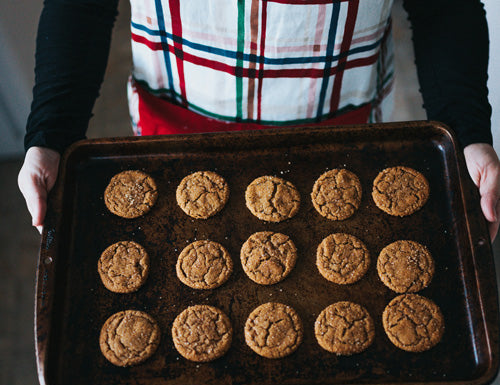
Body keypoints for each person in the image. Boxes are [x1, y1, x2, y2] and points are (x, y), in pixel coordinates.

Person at [18, 0, 500, 240]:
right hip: (180, 120)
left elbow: (445, 6)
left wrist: (466, 130)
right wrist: (52, 134)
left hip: (341, 121)